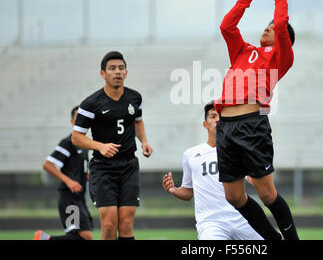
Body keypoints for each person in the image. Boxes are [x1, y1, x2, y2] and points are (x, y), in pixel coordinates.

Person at [213, 0, 299, 240]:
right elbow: (226, 26)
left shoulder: (279, 58)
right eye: (268, 25)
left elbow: (282, 24)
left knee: (266, 193)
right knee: (234, 196)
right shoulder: (243, 50)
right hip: (226, 127)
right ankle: (272, 239)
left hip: (252, 125)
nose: (269, 26)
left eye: (273, 27)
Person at [71, 51, 153, 240]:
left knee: (125, 224)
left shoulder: (135, 98)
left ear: (126, 72)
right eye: (112, 68)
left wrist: (145, 141)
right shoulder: (91, 103)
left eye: (121, 68)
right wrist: (100, 146)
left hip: (129, 166)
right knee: (109, 224)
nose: (117, 71)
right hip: (103, 168)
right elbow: (77, 137)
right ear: (103, 73)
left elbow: (138, 121)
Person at [162, 101, 262, 240]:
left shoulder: (239, 150)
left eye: (221, 117)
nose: (217, 121)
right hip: (212, 223)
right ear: (205, 124)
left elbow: (255, 179)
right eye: (213, 116)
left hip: (242, 218)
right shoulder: (191, 154)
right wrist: (174, 190)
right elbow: (188, 192)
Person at [33, 106, 93, 240]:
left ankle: (44, 239)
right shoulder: (68, 142)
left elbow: (79, 170)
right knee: (85, 236)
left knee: (79, 236)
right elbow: (48, 165)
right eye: (77, 118)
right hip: (69, 196)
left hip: (79, 197)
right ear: (72, 121)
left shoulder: (85, 145)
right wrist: (69, 181)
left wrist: (89, 176)